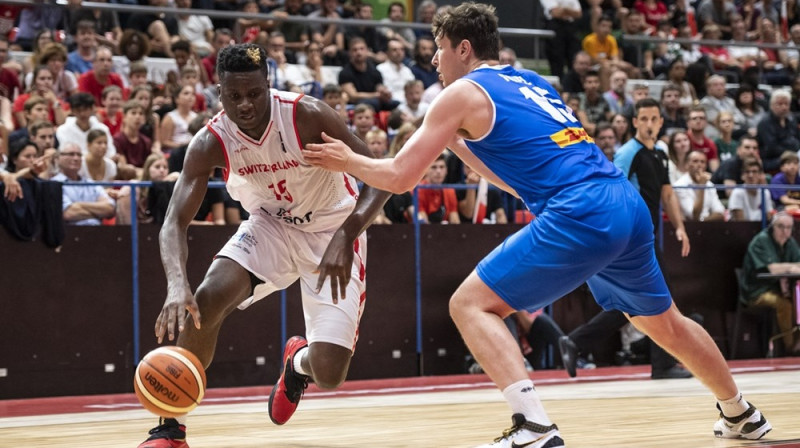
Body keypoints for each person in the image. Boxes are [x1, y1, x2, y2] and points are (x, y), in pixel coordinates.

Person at [303, 4, 771, 446]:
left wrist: (349, 158)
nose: (435, 59)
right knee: (665, 323)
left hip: (581, 209)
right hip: (622, 202)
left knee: (470, 305)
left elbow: (400, 178)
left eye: (440, 48)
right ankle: (740, 412)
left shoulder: (459, 94)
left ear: (464, 48)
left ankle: (533, 424)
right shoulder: (530, 80)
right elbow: (516, 180)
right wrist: (460, 148)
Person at [137, 43, 391, 448]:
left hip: (332, 232)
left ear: (267, 85)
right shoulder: (211, 141)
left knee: (329, 373)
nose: (246, 105)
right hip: (271, 225)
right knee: (204, 300)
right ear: (218, 92)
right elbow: (173, 223)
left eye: (254, 94)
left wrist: (348, 234)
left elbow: (382, 174)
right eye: (234, 96)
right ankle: (169, 428)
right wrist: (174, 283)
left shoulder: (305, 115)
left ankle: (297, 363)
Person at [740, 211, 800, 355]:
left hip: (780, 289)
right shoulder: (761, 241)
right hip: (756, 291)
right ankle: (791, 348)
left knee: (795, 300)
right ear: (773, 226)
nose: (785, 231)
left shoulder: (790, 243)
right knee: (784, 304)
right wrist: (789, 267)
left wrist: (788, 267)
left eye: (789, 228)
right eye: (781, 227)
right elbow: (771, 268)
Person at [673, 150, 726, 222]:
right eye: (695, 161)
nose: (699, 165)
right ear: (687, 165)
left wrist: (703, 221)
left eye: (702, 162)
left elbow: (720, 213)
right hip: (688, 227)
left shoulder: (709, 185)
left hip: (707, 225)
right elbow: (694, 216)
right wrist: (702, 187)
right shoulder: (679, 185)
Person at [728, 157, 772, 222]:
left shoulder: (765, 192)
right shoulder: (737, 192)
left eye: (754, 172)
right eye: (747, 172)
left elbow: (769, 219)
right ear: (742, 176)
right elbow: (740, 223)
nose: (751, 175)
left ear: (760, 175)